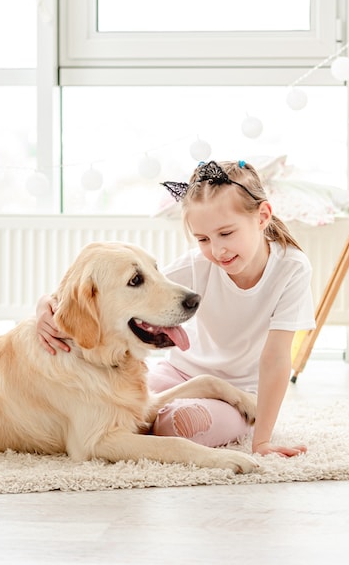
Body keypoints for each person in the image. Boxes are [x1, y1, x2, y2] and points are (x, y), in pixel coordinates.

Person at [36, 160, 315, 457]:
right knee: (113, 406)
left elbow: (275, 359)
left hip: (238, 394)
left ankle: (167, 423)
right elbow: (127, 295)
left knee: (178, 424)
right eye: (203, 239)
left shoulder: (291, 269)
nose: (217, 250)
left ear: (262, 217)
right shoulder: (198, 264)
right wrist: (45, 305)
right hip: (177, 374)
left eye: (226, 234)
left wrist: (262, 442)